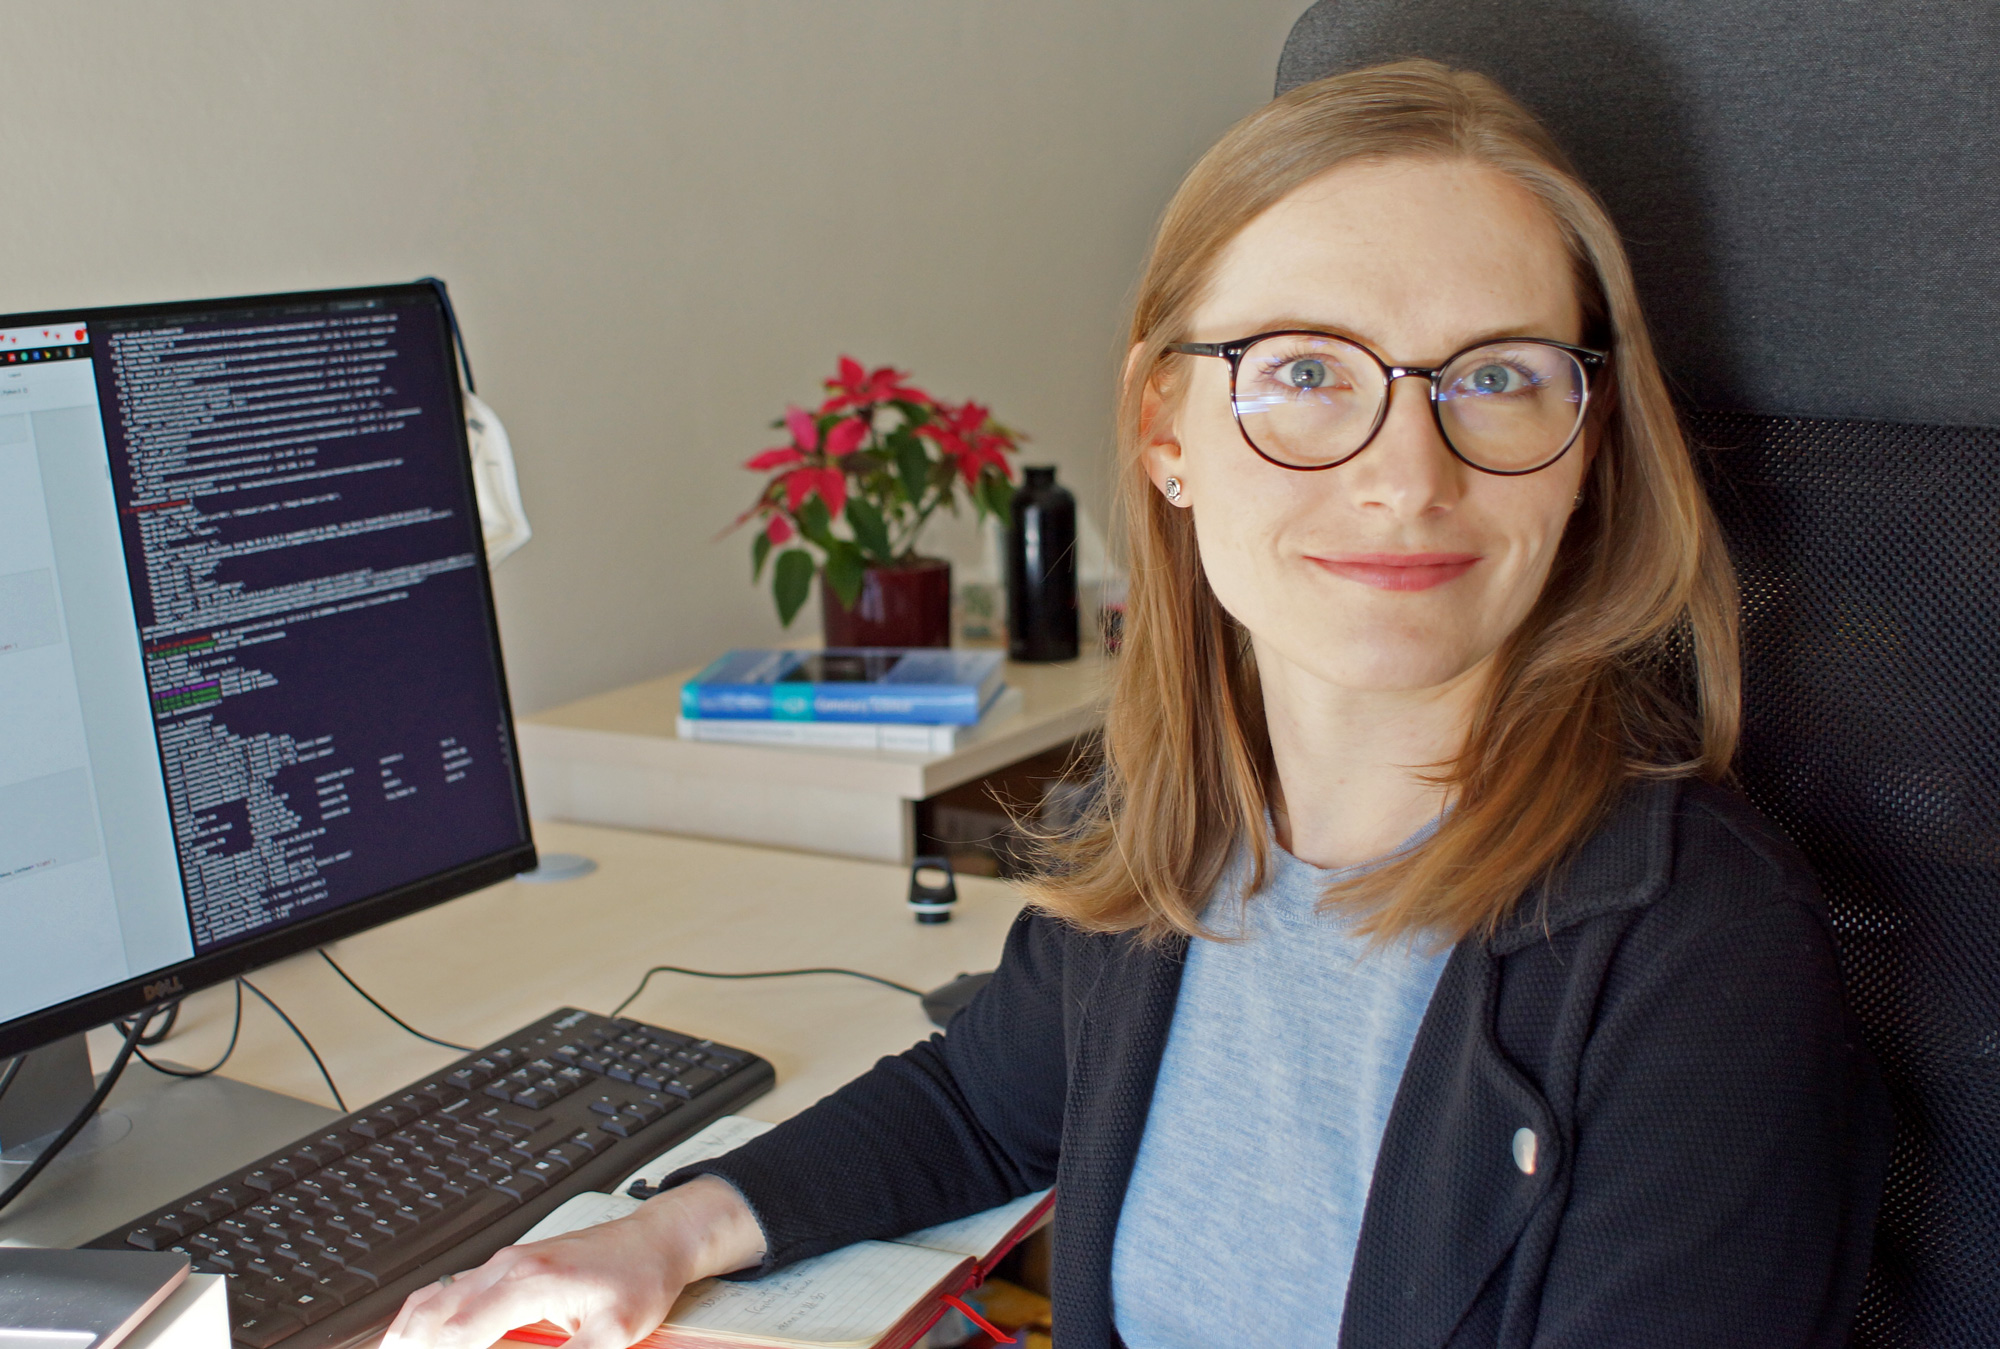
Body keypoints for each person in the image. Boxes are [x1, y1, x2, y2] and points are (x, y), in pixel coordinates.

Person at [388, 60, 1891, 1349]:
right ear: (1166, 430)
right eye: (1304, 367)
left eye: (1494, 376)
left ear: (1590, 441)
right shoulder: (1178, 825)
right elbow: (985, 1101)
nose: (1405, 473)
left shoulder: (1694, 952)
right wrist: (664, 1238)